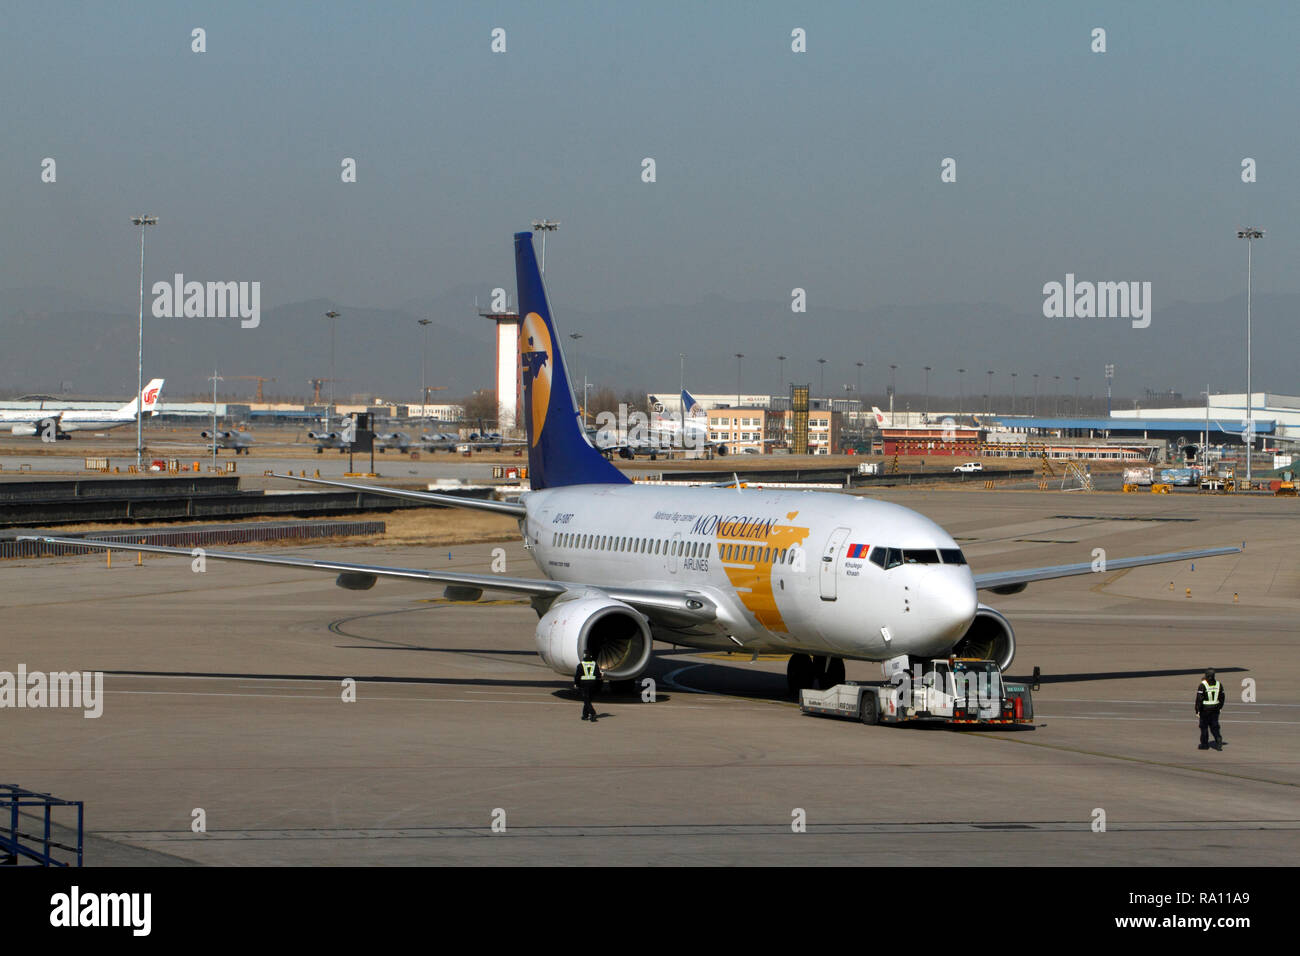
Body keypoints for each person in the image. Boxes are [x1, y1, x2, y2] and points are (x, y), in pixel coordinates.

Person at [1195, 668, 1225, 751]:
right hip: (1215, 709)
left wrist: (1197, 710)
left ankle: (1204, 745)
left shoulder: (1202, 685)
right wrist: (1220, 707)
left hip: (1205, 710)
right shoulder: (1219, 684)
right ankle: (1218, 742)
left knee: (1204, 727)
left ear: (1206, 675)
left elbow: (1199, 699)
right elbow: (1222, 697)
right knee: (1215, 727)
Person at [574, 649, 602, 722]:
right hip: (593, 684)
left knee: (586, 700)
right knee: (588, 700)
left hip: (584, 684)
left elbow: (577, 676)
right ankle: (585, 715)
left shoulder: (580, 665)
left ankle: (593, 713)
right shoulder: (595, 664)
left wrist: (576, 684)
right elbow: (598, 676)